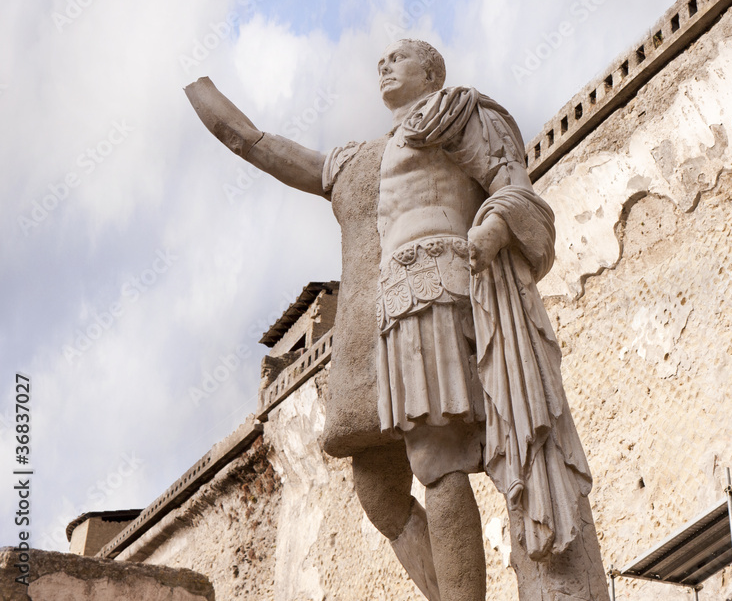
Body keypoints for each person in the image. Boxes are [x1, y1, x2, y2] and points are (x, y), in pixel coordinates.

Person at [185, 39, 609, 601]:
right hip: (396, 310)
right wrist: (199, 90)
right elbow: (262, 145)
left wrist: (490, 230)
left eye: (399, 57)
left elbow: (512, 187)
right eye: (379, 59)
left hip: (446, 290)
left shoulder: (457, 111)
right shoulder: (356, 158)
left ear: (432, 71)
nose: (383, 64)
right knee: (400, 476)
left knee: (441, 456)